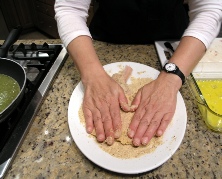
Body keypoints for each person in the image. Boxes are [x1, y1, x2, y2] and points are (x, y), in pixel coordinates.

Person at [54, 0, 222, 146]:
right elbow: (70, 9)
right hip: (105, 38)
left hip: (174, 44)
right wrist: (92, 74)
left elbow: (209, 8)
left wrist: (173, 76)